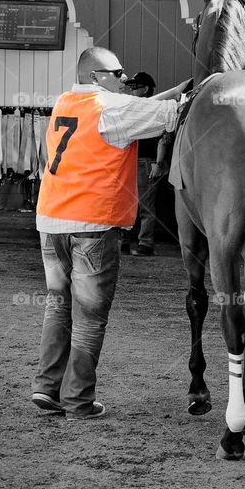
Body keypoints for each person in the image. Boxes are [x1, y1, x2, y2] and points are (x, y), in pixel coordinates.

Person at [32, 47, 186, 419]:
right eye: (118, 73)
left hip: (52, 219)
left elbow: (134, 107)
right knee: (90, 317)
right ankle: (78, 399)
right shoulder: (111, 110)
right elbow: (169, 115)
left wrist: (175, 89)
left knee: (58, 307)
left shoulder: (67, 101)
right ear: (96, 77)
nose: (125, 78)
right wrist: (194, 92)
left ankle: (47, 387)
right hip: (92, 225)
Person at [121, 71, 163, 256]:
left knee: (143, 206)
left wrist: (156, 162)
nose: (132, 90)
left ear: (146, 89)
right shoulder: (138, 107)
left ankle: (144, 243)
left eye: (135, 87)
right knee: (128, 204)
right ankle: (130, 241)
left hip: (144, 161)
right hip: (133, 160)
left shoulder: (154, 108)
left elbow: (161, 136)